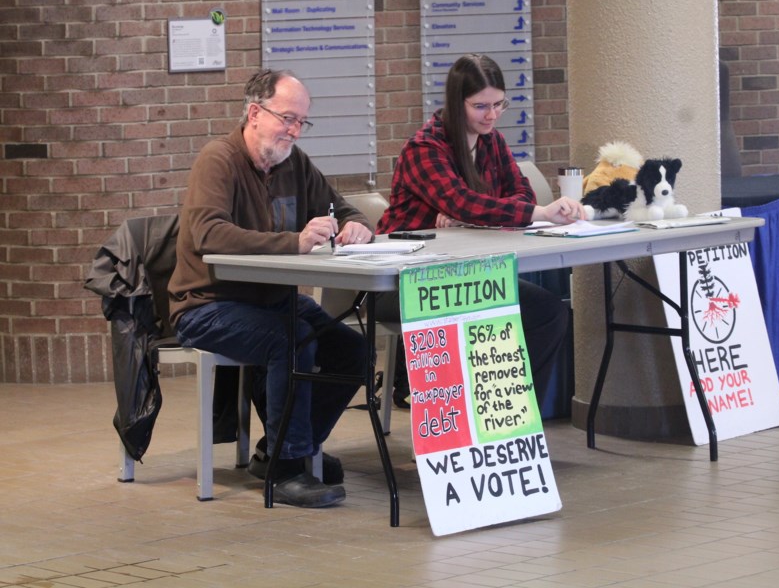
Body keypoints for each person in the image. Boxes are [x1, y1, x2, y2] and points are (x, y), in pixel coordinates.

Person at [168, 69, 375, 509]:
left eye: (302, 122)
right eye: (287, 118)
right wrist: (292, 242)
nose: (294, 130)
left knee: (352, 350)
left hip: (272, 299)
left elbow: (346, 207)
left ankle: (284, 447)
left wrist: (357, 226)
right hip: (208, 304)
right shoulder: (218, 159)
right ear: (255, 113)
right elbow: (208, 234)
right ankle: (286, 468)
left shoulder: (293, 162)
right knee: (294, 340)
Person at [375, 53, 586, 409]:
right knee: (480, 306)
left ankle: (509, 407)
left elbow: (520, 192)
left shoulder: (491, 142)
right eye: (480, 107)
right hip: (399, 281)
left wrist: (474, 214)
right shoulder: (424, 148)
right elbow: (464, 202)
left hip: (464, 274)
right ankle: (457, 412)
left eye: (498, 104)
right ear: (457, 105)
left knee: (550, 313)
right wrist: (483, 211)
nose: (491, 115)